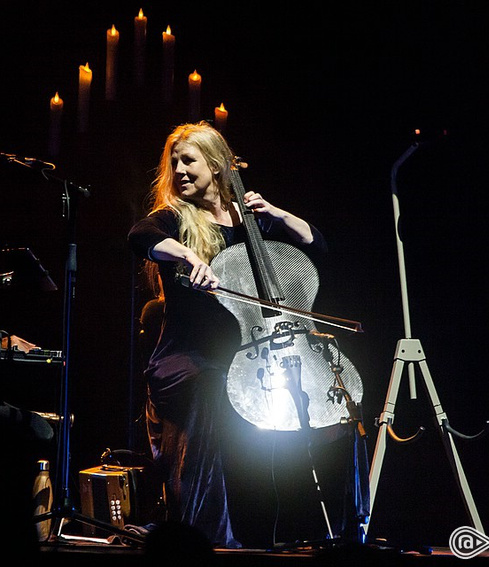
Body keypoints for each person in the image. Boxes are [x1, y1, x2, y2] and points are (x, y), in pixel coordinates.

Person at [127, 121, 327, 548]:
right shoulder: (175, 217)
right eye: (174, 162)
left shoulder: (249, 221)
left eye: (188, 160)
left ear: (217, 165)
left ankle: (286, 532)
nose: (179, 169)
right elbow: (139, 236)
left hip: (250, 357)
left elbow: (316, 244)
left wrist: (276, 214)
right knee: (216, 388)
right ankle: (207, 537)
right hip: (187, 359)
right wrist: (185, 255)